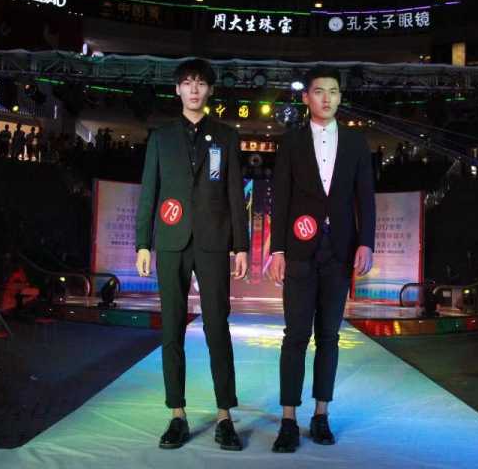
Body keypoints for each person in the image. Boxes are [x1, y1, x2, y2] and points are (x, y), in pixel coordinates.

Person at [135, 59, 249, 451]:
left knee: (218, 328)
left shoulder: (226, 136)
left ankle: (224, 416)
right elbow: (149, 193)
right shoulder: (161, 137)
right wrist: (143, 243)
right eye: (187, 83)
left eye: (201, 83)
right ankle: (177, 414)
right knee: (171, 329)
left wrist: (241, 246)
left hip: (214, 242)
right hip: (171, 242)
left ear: (210, 90)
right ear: (177, 90)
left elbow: (235, 194)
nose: (194, 89)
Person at [268, 66, 376, 453]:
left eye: (333, 91)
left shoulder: (356, 142)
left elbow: (365, 196)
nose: (326, 98)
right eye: (319, 91)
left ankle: (321, 414)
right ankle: (288, 420)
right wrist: (277, 250)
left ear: (340, 97)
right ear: (306, 97)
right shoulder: (291, 141)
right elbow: (281, 198)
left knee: (329, 336)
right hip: (299, 251)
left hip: (340, 251)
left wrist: (367, 242)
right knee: (295, 336)